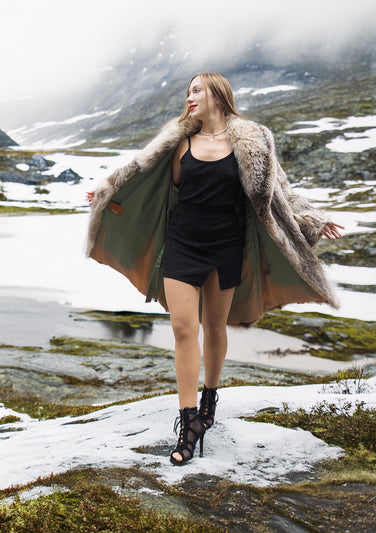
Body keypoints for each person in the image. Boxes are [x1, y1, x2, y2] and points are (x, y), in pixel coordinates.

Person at [86, 72, 343, 466]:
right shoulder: (180, 143)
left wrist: (309, 218)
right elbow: (148, 179)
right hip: (182, 245)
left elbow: (280, 190)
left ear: (218, 96)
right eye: (187, 90)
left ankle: (209, 398)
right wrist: (109, 193)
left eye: (197, 90)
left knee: (215, 327)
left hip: (226, 247)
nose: (189, 97)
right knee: (183, 328)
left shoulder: (252, 143)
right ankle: (188, 422)